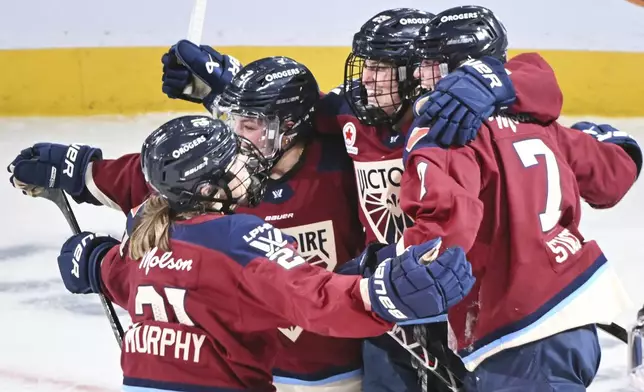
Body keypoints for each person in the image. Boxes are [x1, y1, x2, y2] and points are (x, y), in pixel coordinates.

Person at [52, 115, 476, 392]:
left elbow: (116, 275)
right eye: (231, 163)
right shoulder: (235, 237)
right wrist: (385, 294)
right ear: (205, 189)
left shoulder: (144, 236)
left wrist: (90, 259)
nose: (245, 166)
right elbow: (314, 300)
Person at [398, 6, 642, 391]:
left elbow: (447, 231)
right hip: (577, 316)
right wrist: (614, 139)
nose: (418, 74)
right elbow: (615, 174)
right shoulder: (539, 122)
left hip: (517, 330)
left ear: (461, 66)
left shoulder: (449, 135)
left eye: (430, 63)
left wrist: (392, 267)